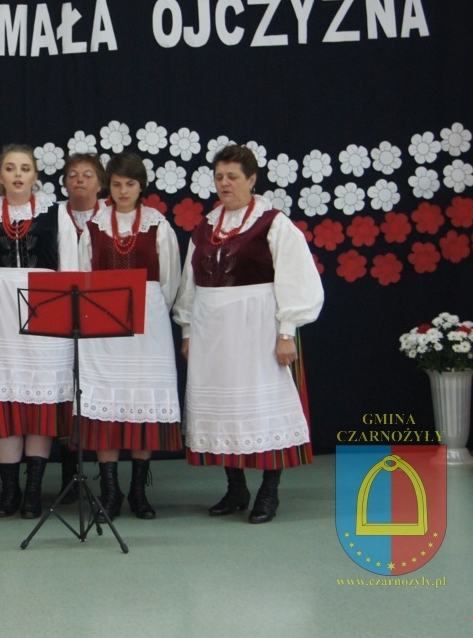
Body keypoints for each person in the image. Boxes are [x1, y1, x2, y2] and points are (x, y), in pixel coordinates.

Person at [172, 144, 323, 524]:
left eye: (232, 177)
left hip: (257, 328)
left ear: (252, 179)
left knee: (263, 407)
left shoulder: (273, 223)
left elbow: (295, 278)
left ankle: (269, 492)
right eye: (219, 177)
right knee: (225, 410)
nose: (224, 183)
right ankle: (236, 488)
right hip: (212, 331)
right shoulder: (205, 227)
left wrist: (287, 332)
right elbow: (190, 282)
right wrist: (187, 330)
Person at [0, 144, 79, 519]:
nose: (18, 174)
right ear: (0, 176)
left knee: (39, 399)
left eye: (25, 168)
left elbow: (71, 270)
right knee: (3, 400)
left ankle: (33, 490)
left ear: (35, 175)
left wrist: (69, 319)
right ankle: (9, 490)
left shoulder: (57, 214)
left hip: (46, 312)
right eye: (10, 168)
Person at [77, 152, 182, 520]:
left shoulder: (158, 225)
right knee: (106, 398)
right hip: (102, 323)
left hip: (147, 324)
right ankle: (110, 489)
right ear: (109, 185)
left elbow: (169, 281)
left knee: (142, 398)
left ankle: (138, 489)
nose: (123, 191)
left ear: (142, 187)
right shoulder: (93, 225)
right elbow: (82, 275)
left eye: (131, 184)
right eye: (117, 184)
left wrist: (148, 308)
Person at [53, 153, 107, 504]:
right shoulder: (53, 216)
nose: (79, 180)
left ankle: (105, 473)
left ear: (100, 183)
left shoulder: (110, 218)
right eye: (73, 174)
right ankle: (69, 470)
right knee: (65, 389)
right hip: (59, 313)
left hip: (100, 315)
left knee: (96, 389)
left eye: (87, 174)